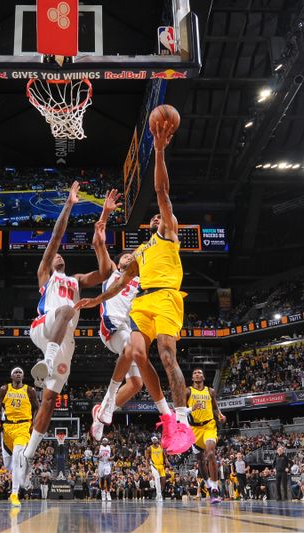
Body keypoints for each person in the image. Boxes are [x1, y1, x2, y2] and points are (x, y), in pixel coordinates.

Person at [76, 118, 195, 454]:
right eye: (155, 217)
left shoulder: (169, 233)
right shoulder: (138, 256)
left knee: (159, 361)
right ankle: (119, 406)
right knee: (136, 351)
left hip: (168, 298)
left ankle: (178, 420)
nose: (157, 217)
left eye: (161, 216)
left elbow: (161, 192)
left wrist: (158, 151)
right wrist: (95, 298)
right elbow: (118, 282)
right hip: (135, 309)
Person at [20, 183, 112, 476]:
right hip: (43, 328)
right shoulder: (45, 274)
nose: (57, 254)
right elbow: (57, 235)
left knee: (49, 400)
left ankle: (28, 454)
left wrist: (101, 238)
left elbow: (105, 273)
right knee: (65, 309)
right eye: (54, 254)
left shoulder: (75, 280)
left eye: (61, 254)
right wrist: (70, 205)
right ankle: (45, 360)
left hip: (65, 342)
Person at [88, 191, 146, 440]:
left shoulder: (141, 281)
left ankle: (102, 412)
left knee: (136, 384)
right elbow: (98, 242)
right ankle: (109, 398)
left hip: (129, 330)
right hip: (112, 328)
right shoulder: (112, 271)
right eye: (125, 255)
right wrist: (106, 212)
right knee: (131, 348)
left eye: (132, 257)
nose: (128, 257)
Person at [0, 367, 39, 507]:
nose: (18, 374)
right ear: (11, 375)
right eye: (16, 372)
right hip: (7, 428)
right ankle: (17, 476)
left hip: (23, 427)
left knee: (17, 458)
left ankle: (14, 494)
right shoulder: (4, 389)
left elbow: (37, 407)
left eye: (20, 372)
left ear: (23, 376)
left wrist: (34, 423)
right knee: (8, 464)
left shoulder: (30, 390)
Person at [187, 368, 225, 503]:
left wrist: (220, 415)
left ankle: (214, 489)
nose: (197, 374)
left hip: (209, 426)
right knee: (200, 461)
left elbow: (214, 407)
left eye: (200, 373)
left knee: (210, 454)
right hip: (194, 429)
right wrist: (191, 409)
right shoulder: (188, 391)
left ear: (203, 377)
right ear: (192, 378)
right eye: (195, 373)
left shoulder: (210, 391)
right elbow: (179, 410)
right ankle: (208, 484)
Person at [146, 436, 169, 502]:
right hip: (154, 466)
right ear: (152, 441)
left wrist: (167, 462)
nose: (154, 440)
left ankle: (159, 494)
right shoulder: (149, 448)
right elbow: (147, 459)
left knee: (163, 480)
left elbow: (165, 457)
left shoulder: (161, 447)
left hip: (161, 466)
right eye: (153, 439)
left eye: (155, 439)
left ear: (157, 440)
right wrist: (147, 468)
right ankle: (159, 496)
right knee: (157, 478)